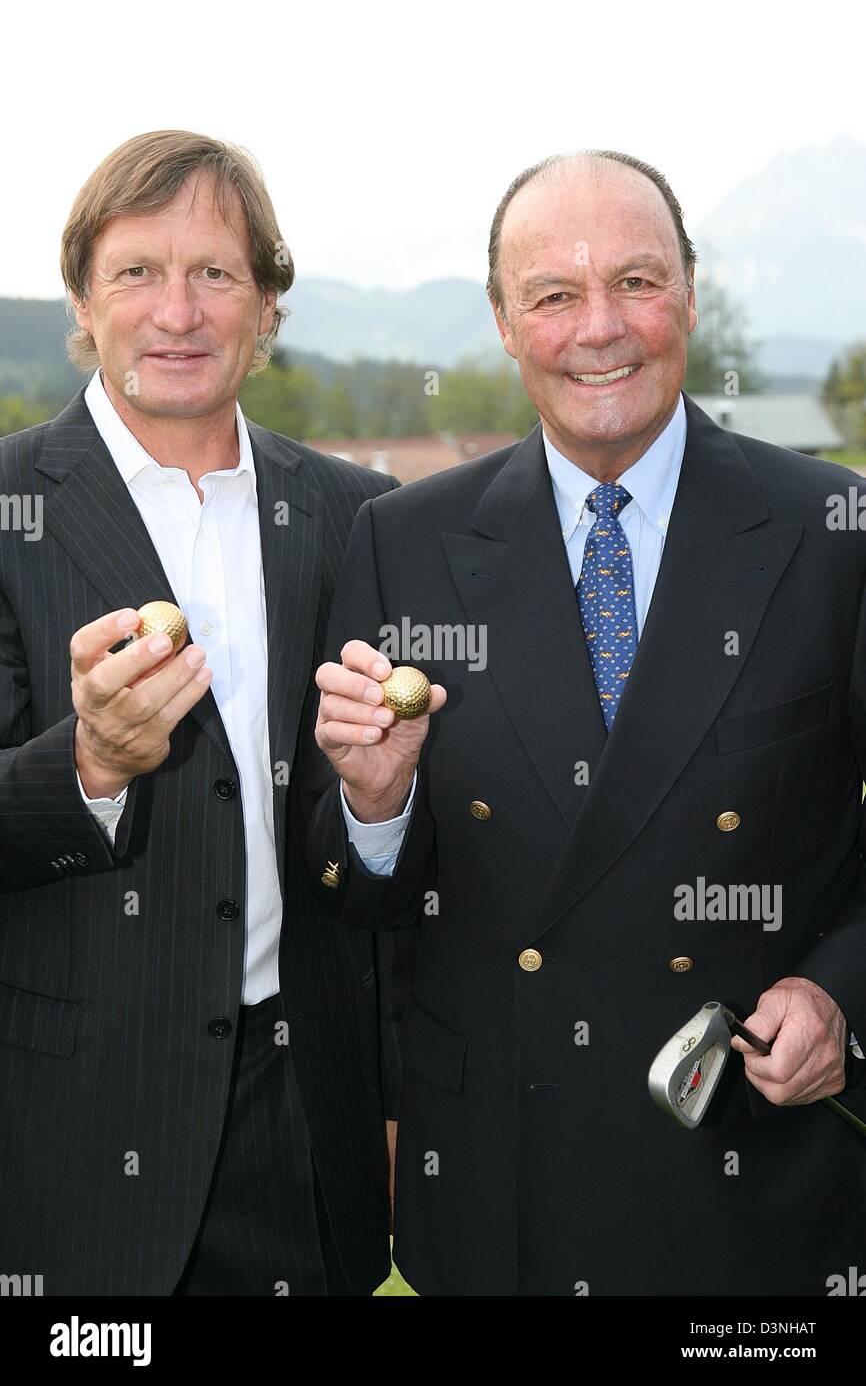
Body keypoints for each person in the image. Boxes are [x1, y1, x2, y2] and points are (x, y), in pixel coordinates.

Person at [309, 150, 866, 1296]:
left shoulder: (829, 531)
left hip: (747, 1163)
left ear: (691, 297)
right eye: (553, 295)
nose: (598, 328)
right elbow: (363, 901)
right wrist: (373, 803)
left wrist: (839, 993)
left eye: (636, 281)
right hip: (504, 1184)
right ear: (505, 325)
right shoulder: (401, 542)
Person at [0, 129, 413, 1295]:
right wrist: (88, 766)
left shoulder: (359, 517)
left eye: (215, 273)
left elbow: (393, 875)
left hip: (306, 1120)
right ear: (81, 296)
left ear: (267, 304)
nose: (175, 310)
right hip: (64, 1134)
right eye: (136, 271)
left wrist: (383, 808)